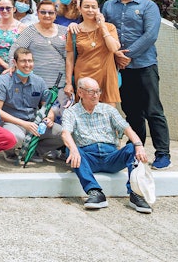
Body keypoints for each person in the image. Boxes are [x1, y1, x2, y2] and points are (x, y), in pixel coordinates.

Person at [102, 0, 171, 169]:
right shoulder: (108, 6)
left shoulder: (148, 6)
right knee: (131, 112)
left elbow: (150, 35)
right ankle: (135, 150)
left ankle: (163, 154)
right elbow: (104, 31)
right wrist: (117, 56)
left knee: (153, 110)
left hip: (145, 65)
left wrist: (127, 55)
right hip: (120, 68)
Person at [61, 76, 153, 212]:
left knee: (132, 148)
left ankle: (136, 195)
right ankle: (95, 192)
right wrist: (74, 149)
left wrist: (139, 145)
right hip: (88, 158)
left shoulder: (108, 110)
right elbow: (65, 133)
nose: (96, 95)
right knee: (70, 150)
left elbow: (126, 128)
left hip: (111, 157)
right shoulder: (71, 112)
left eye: (98, 91)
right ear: (80, 92)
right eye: (91, 91)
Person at [0, 47, 64, 161]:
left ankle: (33, 151)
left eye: (30, 61)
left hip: (34, 123)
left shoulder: (39, 81)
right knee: (17, 137)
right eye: (23, 61)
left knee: (63, 133)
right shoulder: (4, 81)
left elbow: (47, 106)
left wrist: (49, 117)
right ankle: (10, 152)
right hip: (11, 123)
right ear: (14, 63)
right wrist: (23, 124)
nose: (27, 64)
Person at [11, 0, 69, 99]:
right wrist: (12, 66)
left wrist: (69, 82)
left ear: (55, 15)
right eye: (43, 12)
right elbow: (15, 49)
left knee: (58, 113)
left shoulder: (64, 31)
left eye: (50, 12)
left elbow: (70, 57)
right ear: (37, 13)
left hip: (60, 83)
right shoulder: (30, 30)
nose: (47, 15)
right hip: (35, 83)